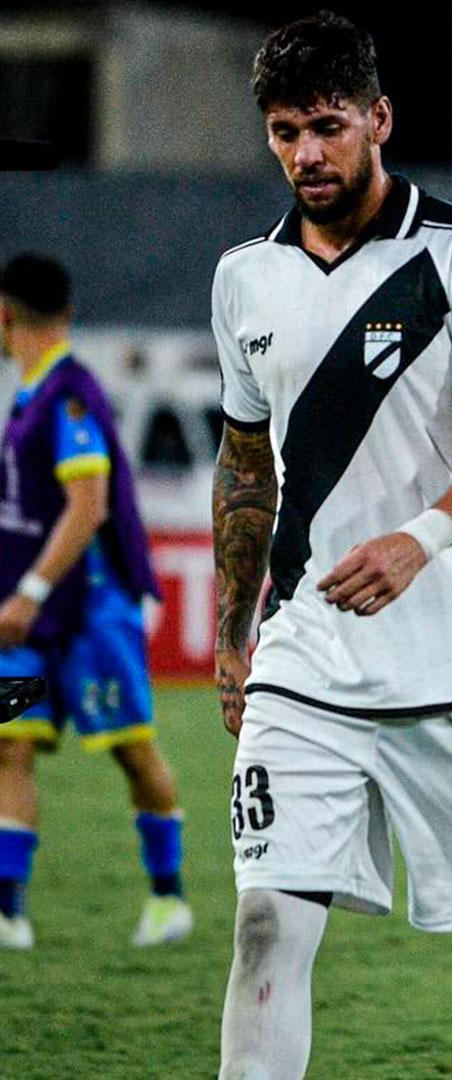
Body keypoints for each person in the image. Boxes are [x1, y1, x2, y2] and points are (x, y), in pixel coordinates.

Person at [210, 14, 452, 1078]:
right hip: (307, 657)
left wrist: (417, 541)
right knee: (267, 924)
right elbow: (247, 468)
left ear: (379, 118)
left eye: (327, 126)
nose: (306, 155)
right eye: (285, 132)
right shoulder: (245, 279)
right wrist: (234, 634)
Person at [0, 252, 187, 950]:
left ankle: (169, 899)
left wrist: (30, 590)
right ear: (68, 314)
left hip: (87, 610)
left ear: (4, 314)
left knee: (131, 751)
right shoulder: (31, 395)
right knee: (10, 747)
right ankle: (7, 909)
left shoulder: (69, 395)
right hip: (31, 620)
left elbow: (89, 505)